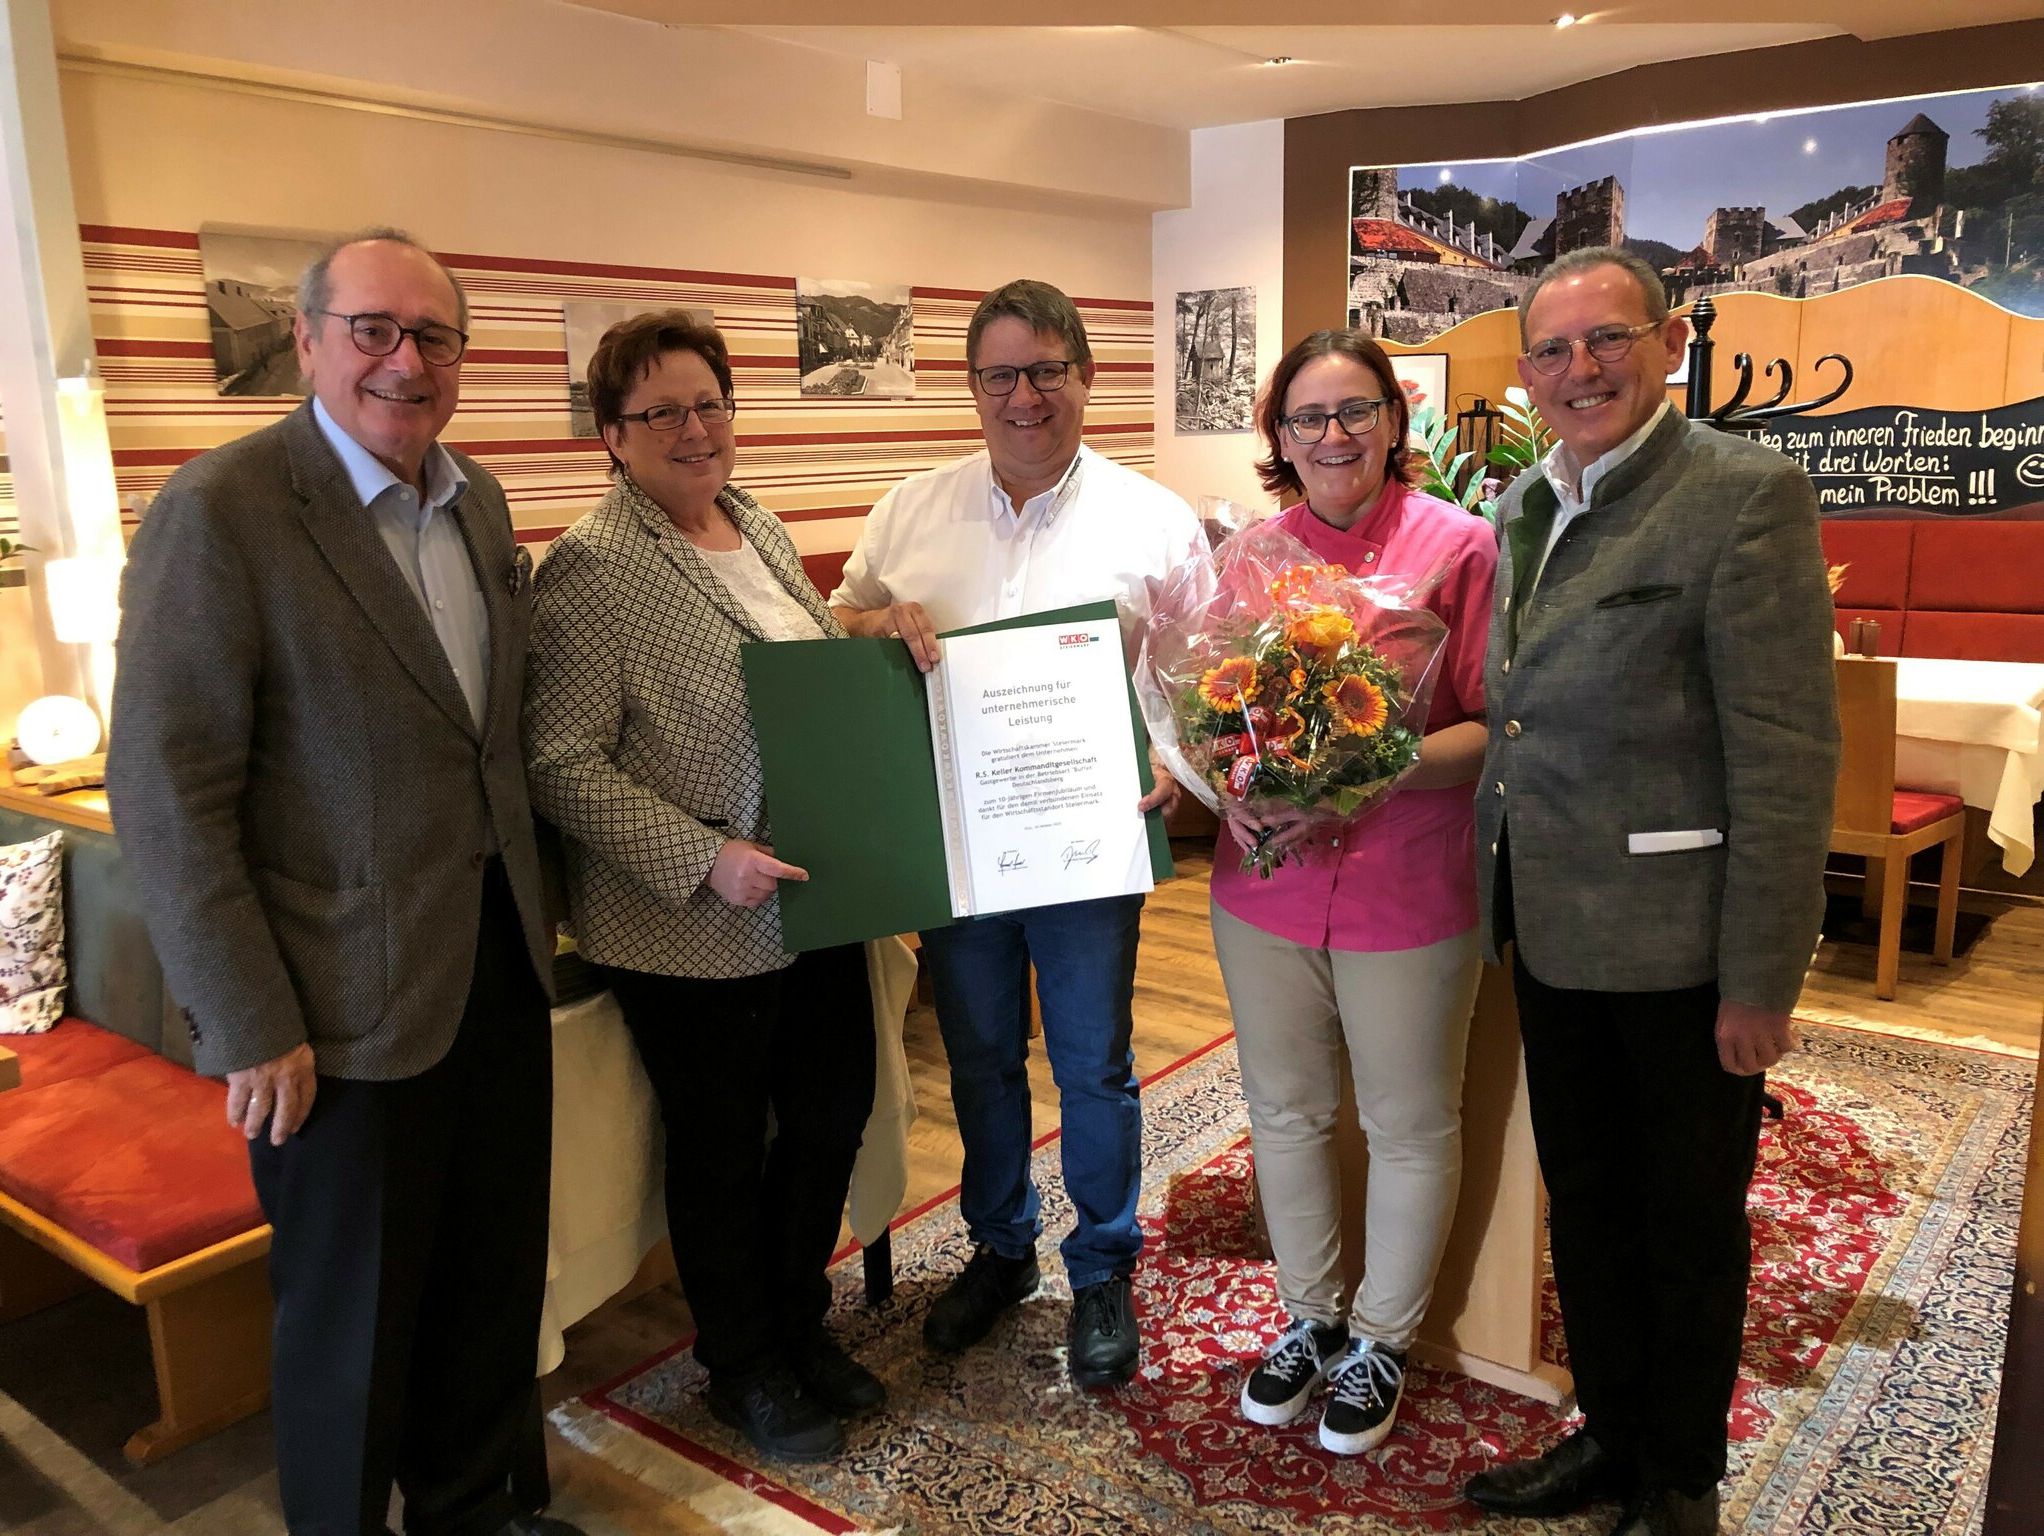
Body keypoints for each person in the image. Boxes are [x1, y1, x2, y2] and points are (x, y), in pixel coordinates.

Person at [109, 230, 578, 1536]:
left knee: (486, 1286)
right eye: (372, 329)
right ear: (308, 340)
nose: (403, 360)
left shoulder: (474, 502)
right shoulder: (224, 511)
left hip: (493, 967)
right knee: (352, 1327)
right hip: (330, 1016)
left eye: (433, 336)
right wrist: (249, 1020)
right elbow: (165, 792)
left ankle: (472, 1508)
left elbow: (491, 739)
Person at [1462, 247, 1838, 1536]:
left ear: (1667, 343)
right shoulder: (1525, 501)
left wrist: (1760, 980)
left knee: (1685, 1224)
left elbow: (1787, 758)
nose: (1581, 371)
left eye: (1606, 340)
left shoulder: (1743, 497)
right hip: (1551, 932)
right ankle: (1611, 1433)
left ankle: (1678, 1476)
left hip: (1682, 952)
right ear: (1524, 374)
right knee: (1590, 1206)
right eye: (1553, 352)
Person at [829, 279, 1202, 1389]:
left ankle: (1099, 1268)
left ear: (1084, 377)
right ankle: (1000, 1250)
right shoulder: (910, 509)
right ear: (973, 387)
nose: (1024, 396)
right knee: (982, 1058)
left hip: (1088, 840)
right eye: (1000, 374)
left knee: (1092, 1064)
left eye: (1046, 370)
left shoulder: (1151, 519)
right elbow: (839, 620)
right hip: (959, 845)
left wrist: (1175, 769)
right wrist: (874, 622)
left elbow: (1200, 677)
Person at [522, 311, 878, 1464]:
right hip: (688, 922)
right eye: (660, 412)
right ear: (610, 437)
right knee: (723, 1151)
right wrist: (699, 856)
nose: (693, 429)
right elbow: (557, 761)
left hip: (812, 889)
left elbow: (814, 670)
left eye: (709, 403)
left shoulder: (757, 524)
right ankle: (743, 1365)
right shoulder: (593, 566)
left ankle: (794, 1319)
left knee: (828, 1113)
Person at [1211, 331, 1495, 1455]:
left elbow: (1485, 730)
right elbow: (1217, 721)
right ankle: (1309, 1318)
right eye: (1306, 418)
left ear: (1393, 418)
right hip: (1264, 886)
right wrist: (1225, 782)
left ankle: (1380, 1338)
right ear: (1276, 437)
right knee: (1282, 1113)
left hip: (1406, 886)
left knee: (1408, 1121)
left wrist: (1363, 770)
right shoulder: (1245, 558)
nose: (1331, 436)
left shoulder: (1458, 546)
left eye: (1354, 412)